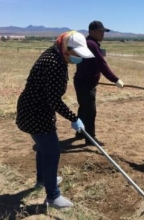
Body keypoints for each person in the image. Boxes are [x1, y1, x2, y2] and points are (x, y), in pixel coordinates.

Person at [16, 31, 93, 209]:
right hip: (36, 113)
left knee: (44, 149)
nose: (79, 58)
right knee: (52, 151)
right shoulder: (54, 63)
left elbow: (50, 97)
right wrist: (74, 118)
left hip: (34, 109)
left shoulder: (56, 56)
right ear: (67, 49)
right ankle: (53, 195)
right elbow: (53, 99)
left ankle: (43, 179)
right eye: (77, 54)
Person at [73, 21, 124, 146]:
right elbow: (101, 64)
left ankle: (81, 132)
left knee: (84, 108)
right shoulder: (92, 44)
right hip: (85, 83)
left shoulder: (88, 43)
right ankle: (90, 138)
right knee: (90, 110)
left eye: (103, 32)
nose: (103, 34)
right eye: (100, 31)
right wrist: (115, 79)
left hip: (82, 81)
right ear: (92, 31)